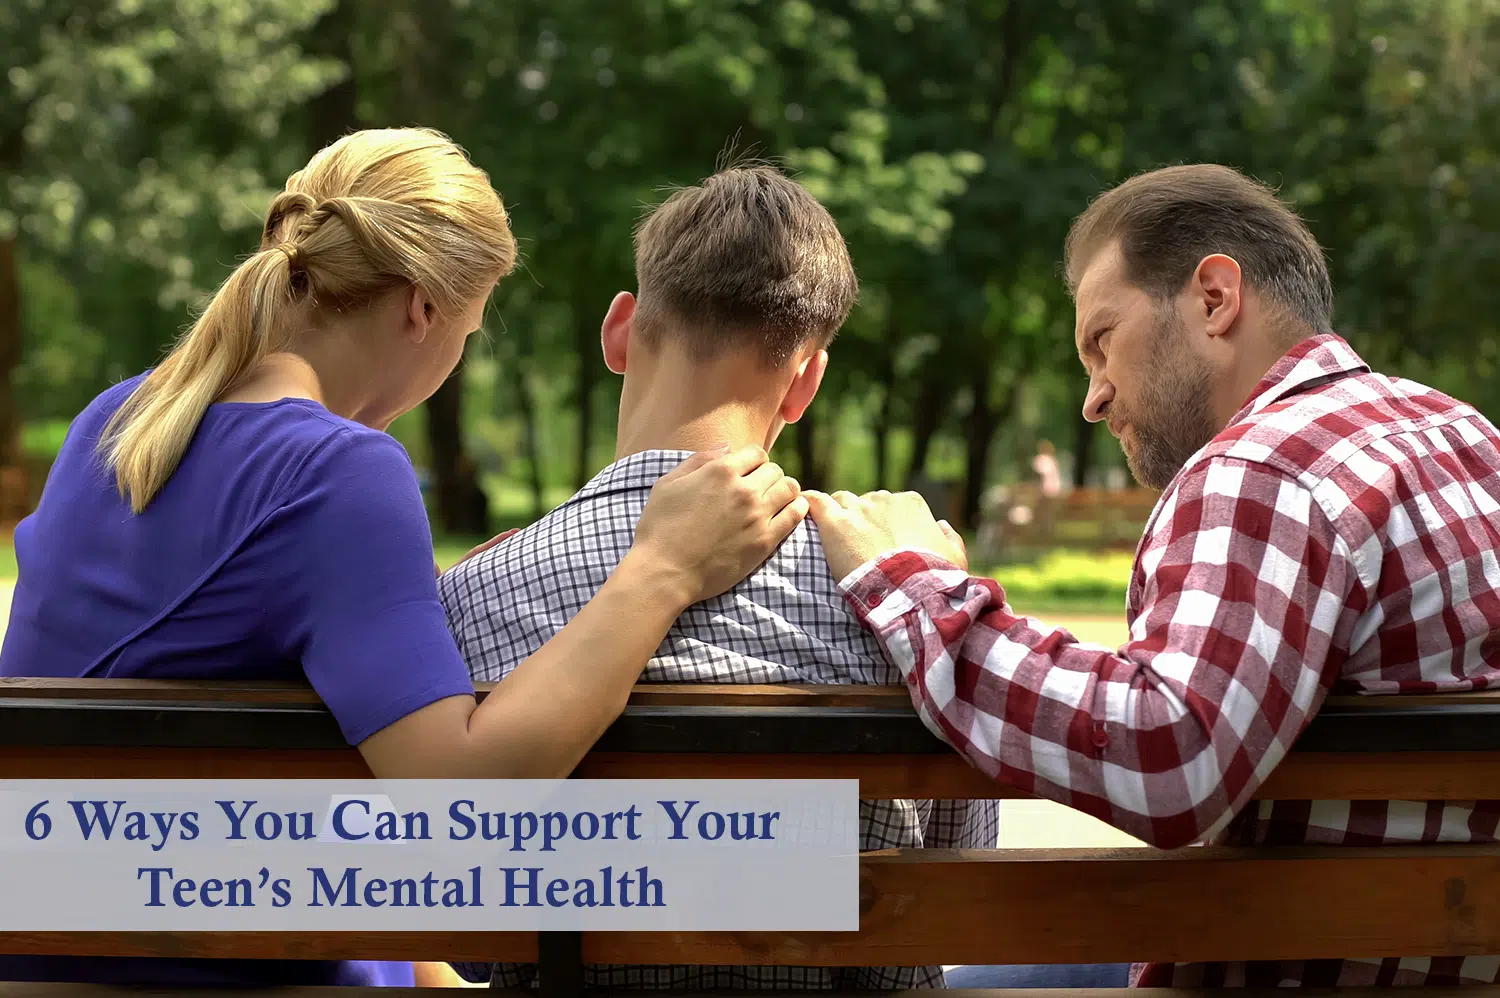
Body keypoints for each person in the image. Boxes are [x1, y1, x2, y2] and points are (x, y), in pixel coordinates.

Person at [0, 129, 805, 989]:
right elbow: (459, 802)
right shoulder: (338, 470)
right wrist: (663, 566)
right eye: (469, 329)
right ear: (422, 310)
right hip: (208, 965)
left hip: (59, 925)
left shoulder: (118, 419)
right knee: (772, 861)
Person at [804, 163, 1500, 988]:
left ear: (1213, 298)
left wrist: (913, 583)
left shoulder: (1264, 467)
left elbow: (1168, 750)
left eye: (1102, 341)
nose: (1093, 399)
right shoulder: (1462, 433)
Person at [438, 164, 999, 991]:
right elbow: (956, 896)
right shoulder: (900, 598)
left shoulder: (476, 594)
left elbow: (473, 942)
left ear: (619, 331)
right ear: (806, 380)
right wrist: (941, 596)